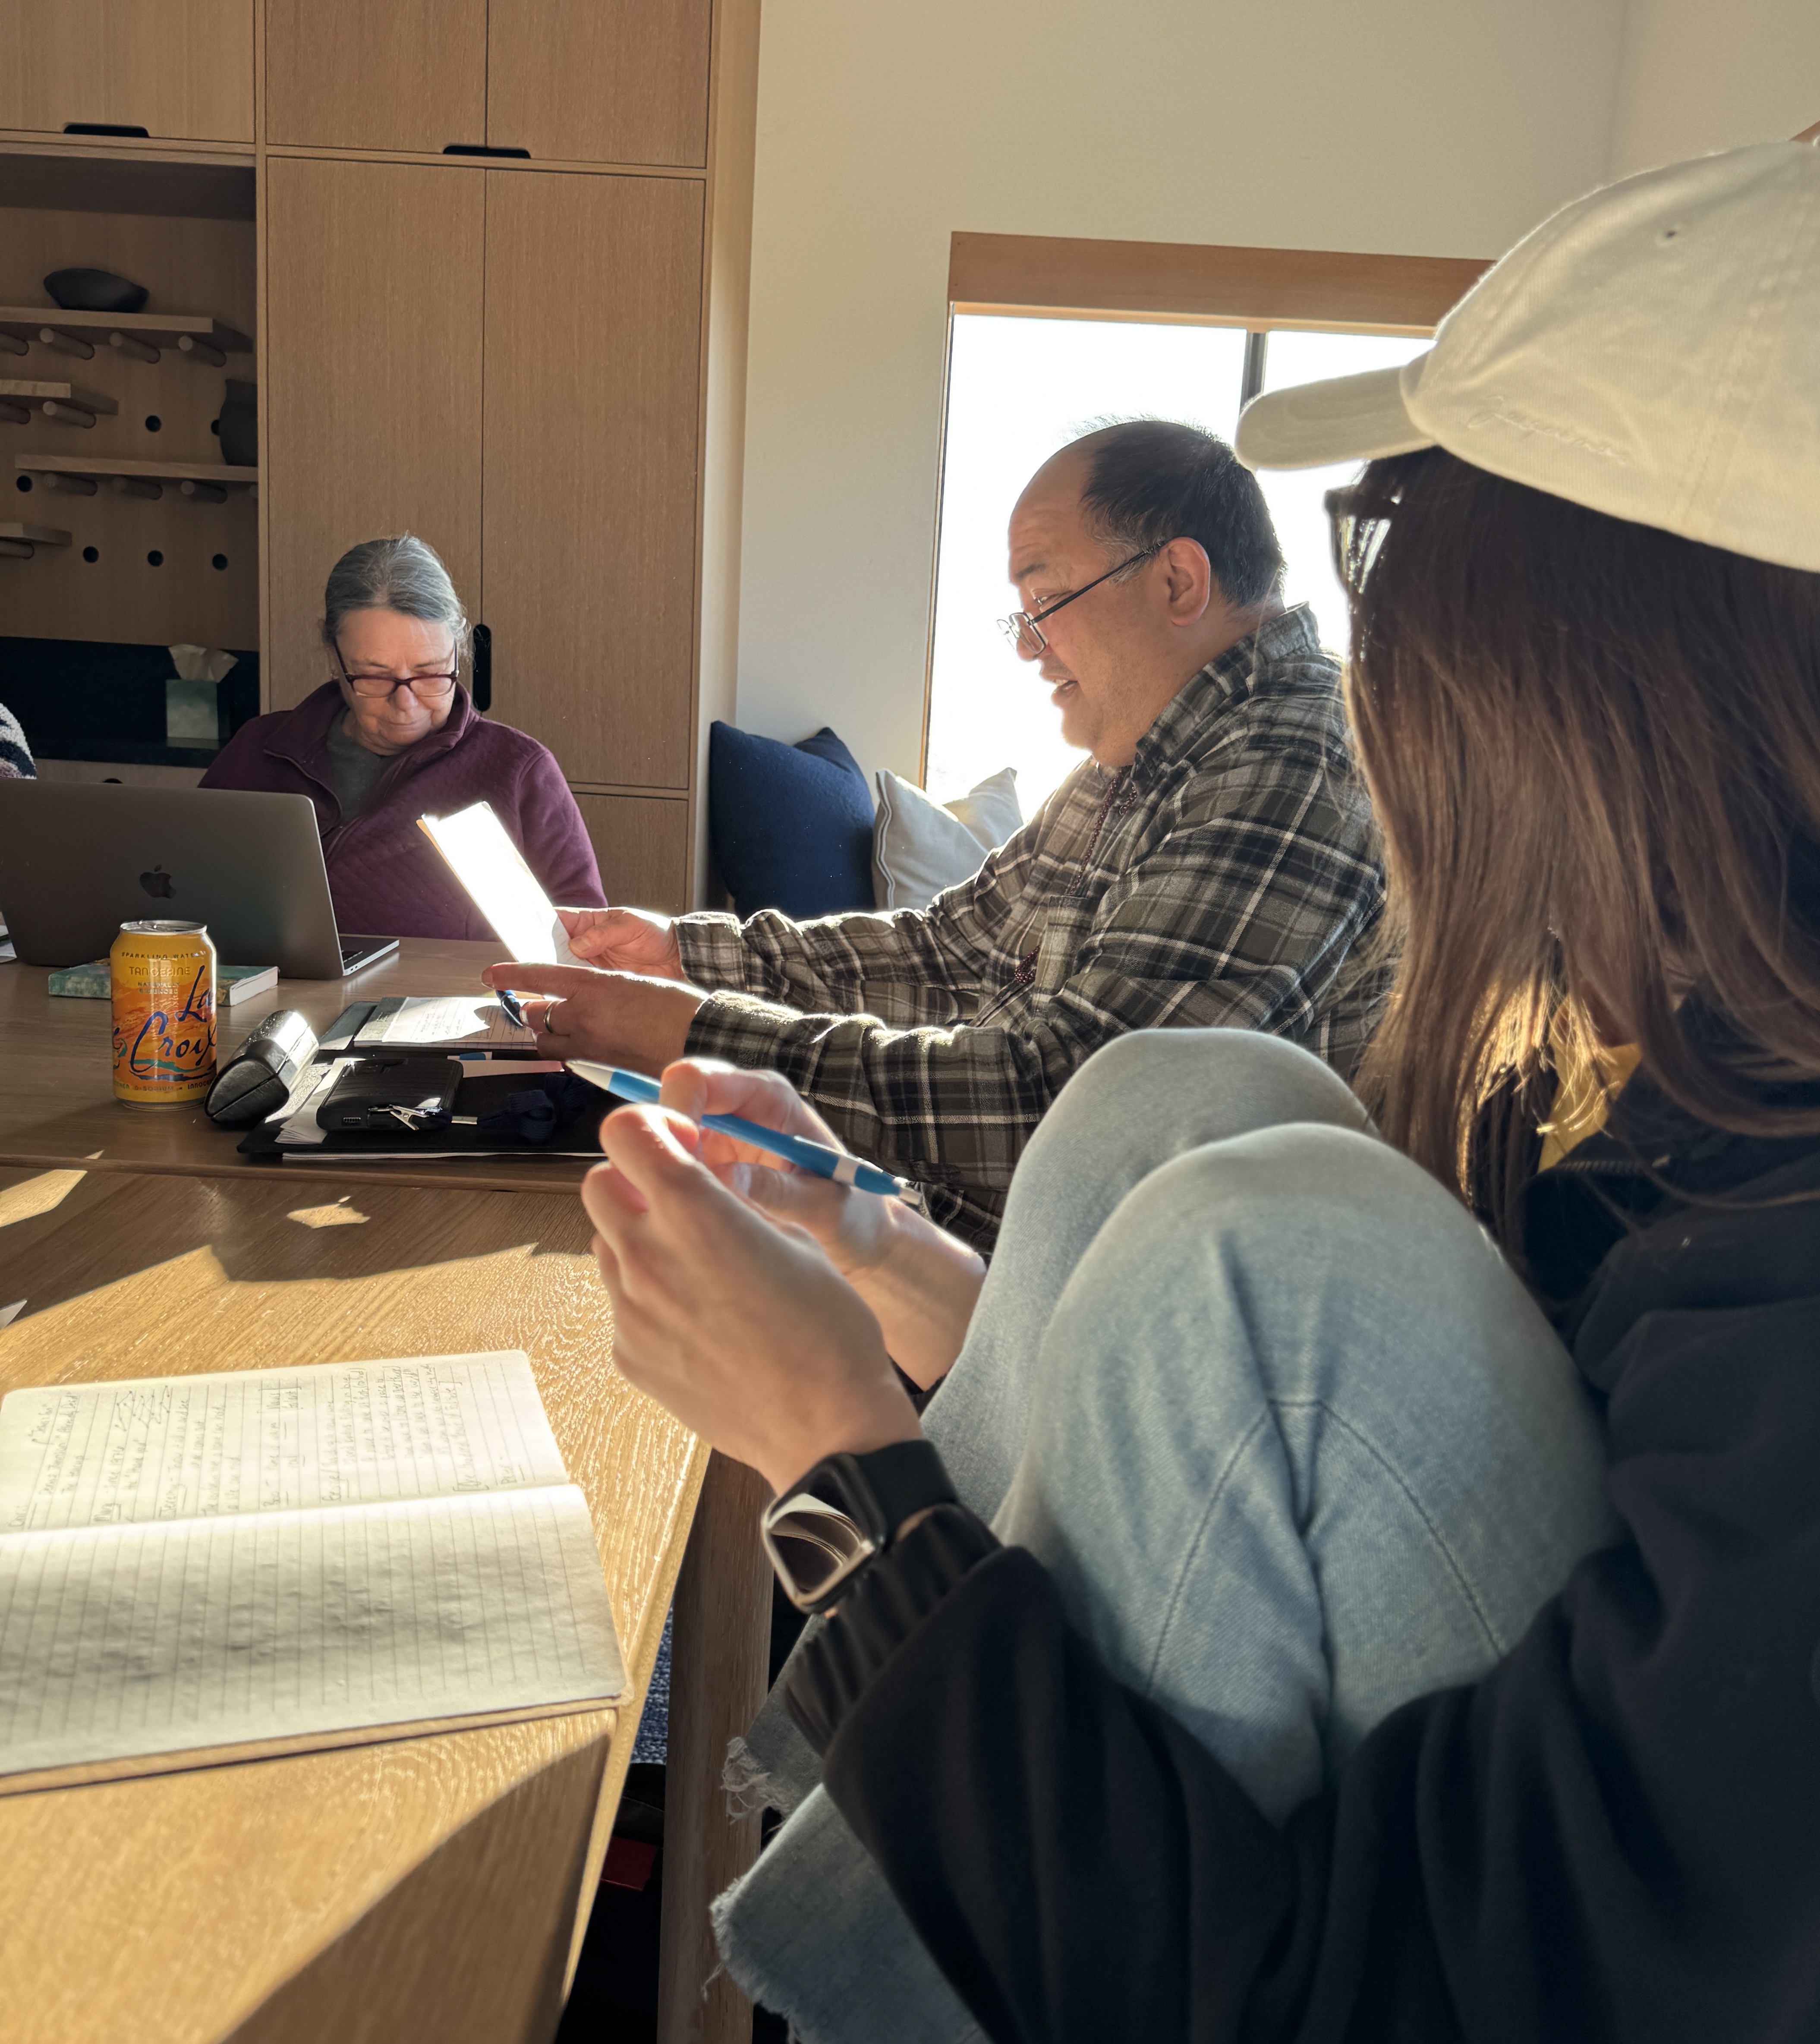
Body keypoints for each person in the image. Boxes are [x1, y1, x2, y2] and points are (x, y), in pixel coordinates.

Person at [580, 141, 1820, 2043]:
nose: (1384, 616)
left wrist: (838, 1458)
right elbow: (961, 954)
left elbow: (1367, 1988)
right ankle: (870, 1885)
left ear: (1634, 644)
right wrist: (879, 1241)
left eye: (1412, 528)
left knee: (1270, 1246)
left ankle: (872, 1941)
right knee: (1194, 1101)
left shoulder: (1781, 1284)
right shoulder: (1693, 1044)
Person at [488, 421, 1385, 1246]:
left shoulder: (1296, 761)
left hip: (1086, 1325)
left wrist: (699, 1033)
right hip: (980, 1252)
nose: (1031, 647)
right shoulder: (1146, 754)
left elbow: (1062, 1102)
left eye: (1046, 600)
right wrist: (684, 953)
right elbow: (953, 947)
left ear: (1177, 580)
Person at [202, 535, 603, 939]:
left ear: (459, 644)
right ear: (332, 656)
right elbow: (180, 890)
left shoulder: (517, 771)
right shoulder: (260, 749)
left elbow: (582, 945)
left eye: (431, 673)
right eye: (375, 676)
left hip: (445, 1003)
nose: (407, 704)